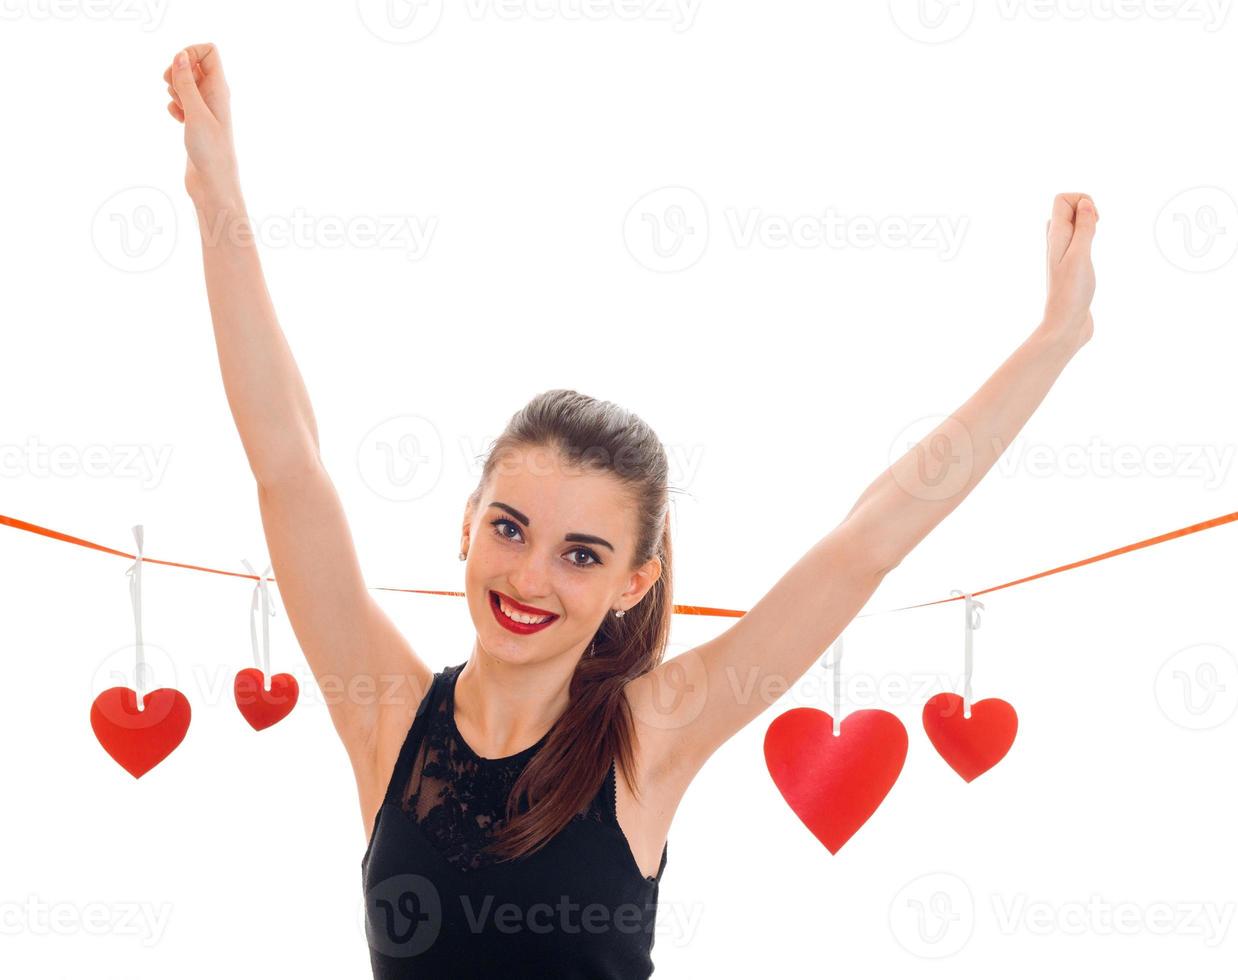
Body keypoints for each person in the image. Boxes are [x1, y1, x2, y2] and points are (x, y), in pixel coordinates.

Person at [164, 42, 1098, 978]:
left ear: (632, 582)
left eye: (581, 554)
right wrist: (219, 198)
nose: (529, 578)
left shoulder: (652, 736)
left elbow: (868, 541)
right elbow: (288, 463)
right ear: (466, 524)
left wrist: (1053, 341)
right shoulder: (390, 718)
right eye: (509, 528)